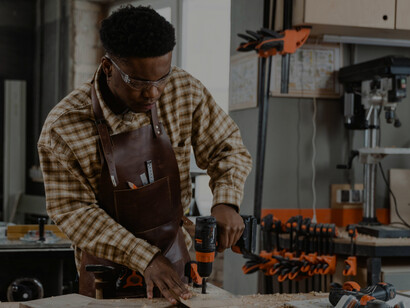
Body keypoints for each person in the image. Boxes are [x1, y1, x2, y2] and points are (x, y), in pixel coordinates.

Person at [38, 5, 251, 305]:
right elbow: (73, 211)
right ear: (108, 67)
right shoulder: (64, 127)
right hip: (105, 277)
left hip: (176, 261)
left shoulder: (183, 89)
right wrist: (146, 258)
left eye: (161, 79)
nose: (153, 94)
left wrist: (226, 201)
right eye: (138, 83)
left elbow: (227, 147)